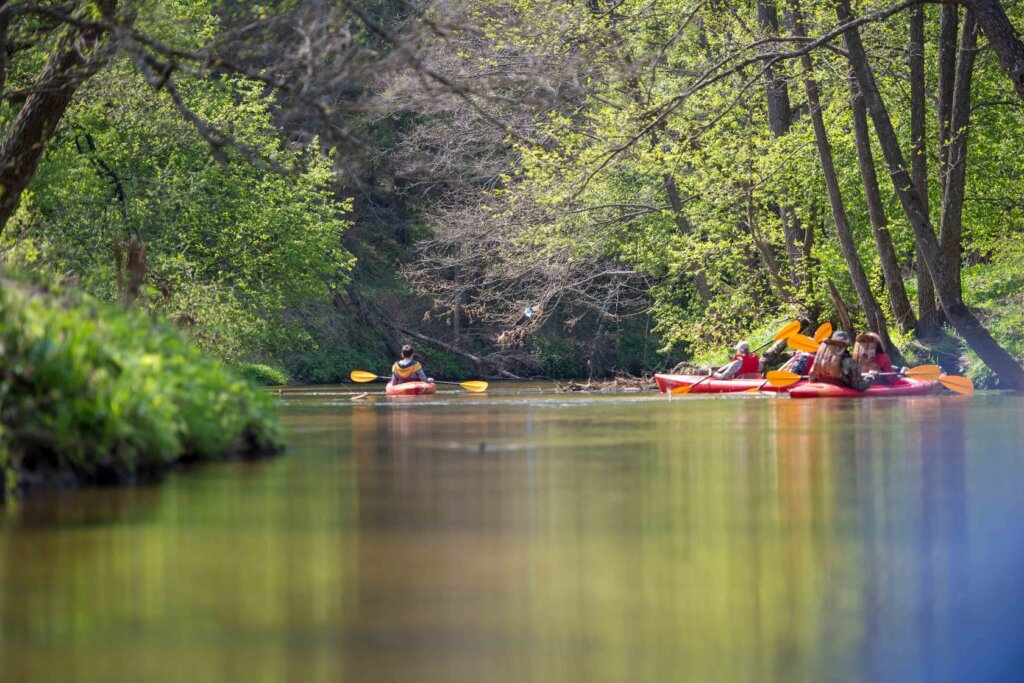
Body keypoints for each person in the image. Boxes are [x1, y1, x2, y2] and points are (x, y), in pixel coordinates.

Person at [809, 330, 876, 391]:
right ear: (846, 345)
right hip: (837, 391)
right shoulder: (849, 362)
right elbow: (861, 386)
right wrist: (871, 376)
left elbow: (811, 377)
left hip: (817, 387)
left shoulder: (821, 358)